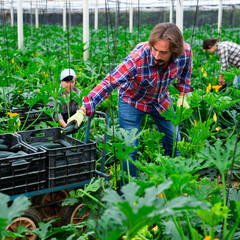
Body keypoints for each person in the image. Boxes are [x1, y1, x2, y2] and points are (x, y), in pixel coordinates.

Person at [66, 22, 193, 178]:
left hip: (160, 100)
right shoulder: (138, 58)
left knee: (176, 144)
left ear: (174, 51)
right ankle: (127, 194)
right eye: (154, 49)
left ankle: (174, 186)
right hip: (132, 101)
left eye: (163, 52)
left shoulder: (185, 52)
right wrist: (82, 111)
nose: (157, 56)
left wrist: (183, 93)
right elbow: (109, 83)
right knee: (129, 149)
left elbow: (186, 71)